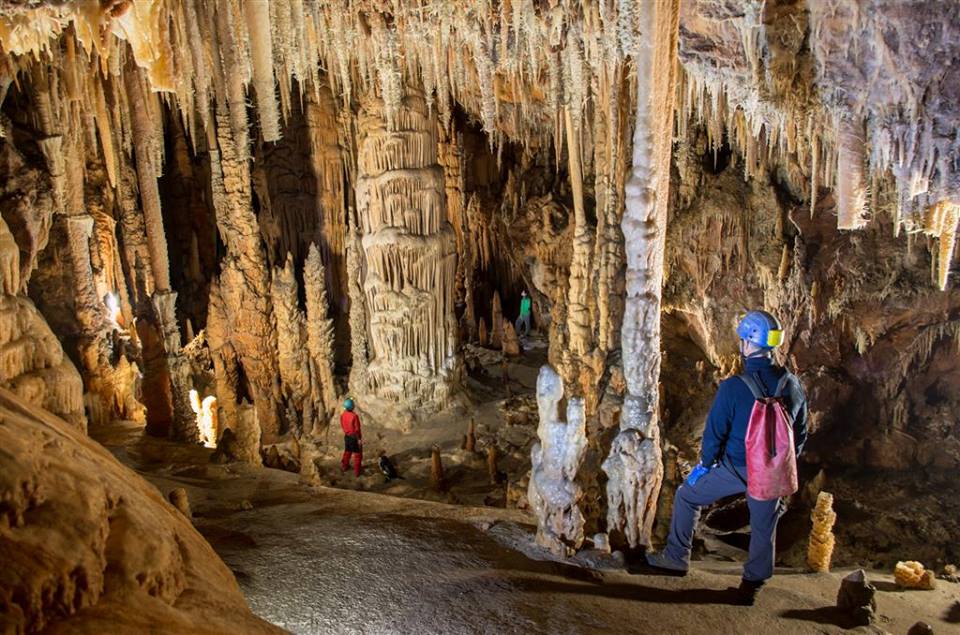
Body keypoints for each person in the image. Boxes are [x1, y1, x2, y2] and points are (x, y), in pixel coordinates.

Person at [645, 310, 808, 605]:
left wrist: (705, 466)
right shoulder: (791, 384)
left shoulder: (734, 386)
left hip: (735, 467)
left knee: (687, 496)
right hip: (770, 471)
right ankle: (752, 586)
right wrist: (782, 464)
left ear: (747, 343)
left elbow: (715, 432)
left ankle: (676, 558)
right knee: (763, 525)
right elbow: (801, 431)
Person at [340, 398, 363, 477]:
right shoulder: (354, 416)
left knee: (347, 451)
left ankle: (344, 466)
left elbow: (342, 425)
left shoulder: (343, 415)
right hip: (354, 437)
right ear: (352, 407)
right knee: (357, 455)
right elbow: (357, 429)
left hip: (347, 436)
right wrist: (359, 439)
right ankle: (357, 472)